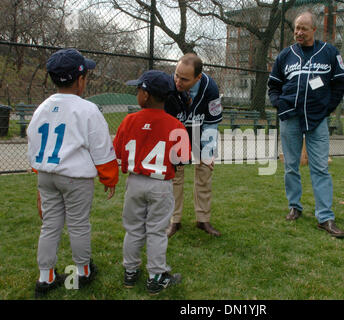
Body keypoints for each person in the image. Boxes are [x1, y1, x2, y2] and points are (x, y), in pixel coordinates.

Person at [27, 48, 119, 298]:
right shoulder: (87, 109)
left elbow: (34, 144)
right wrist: (109, 177)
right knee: (78, 225)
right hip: (75, 178)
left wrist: (39, 175)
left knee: (50, 225)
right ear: (80, 80)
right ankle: (82, 271)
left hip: (46, 175)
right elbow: (101, 148)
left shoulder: (42, 108)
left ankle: (45, 276)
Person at [268, 11, 344, 238]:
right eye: (296, 28)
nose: (299, 32)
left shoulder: (329, 52)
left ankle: (325, 217)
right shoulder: (285, 55)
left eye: (304, 28)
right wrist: (279, 105)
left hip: (316, 119)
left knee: (320, 167)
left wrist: (326, 109)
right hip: (290, 117)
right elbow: (273, 85)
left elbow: (339, 85)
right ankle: (295, 206)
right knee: (291, 165)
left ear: (314, 30)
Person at [114, 70, 190, 294]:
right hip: (161, 184)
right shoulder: (175, 124)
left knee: (133, 228)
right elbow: (182, 159)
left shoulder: (129, 120)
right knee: (157, 231)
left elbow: (117, 151)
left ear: (146, 95)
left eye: (139, 89)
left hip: (135, 182)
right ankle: (156, 277)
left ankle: (130, 271)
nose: (137, 93)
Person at [164, 53, 223, 237]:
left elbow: (212, 123)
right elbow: (165, 122)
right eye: (176, 75)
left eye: (184, 79)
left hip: (200, 130)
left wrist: (207, 151)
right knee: (175, 175)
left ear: (198, 77)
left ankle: (203, 220)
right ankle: (174, 221)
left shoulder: (211, 88)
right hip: (177, 132)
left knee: (205, 172)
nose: (178, 82)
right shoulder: (169, 87)